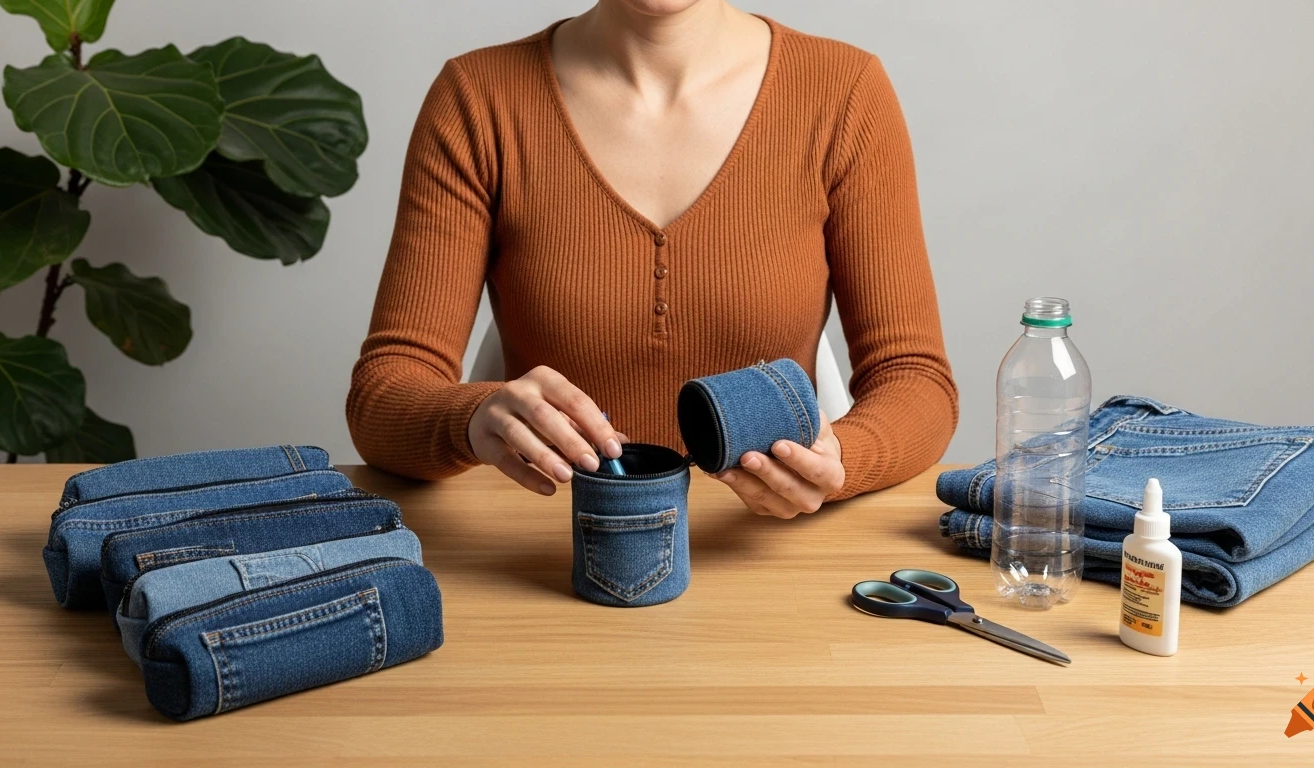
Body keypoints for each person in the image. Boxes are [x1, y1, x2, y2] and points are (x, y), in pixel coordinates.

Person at [347, 0, 957, 518]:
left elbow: (917, 381)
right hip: (548, 552)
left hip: (765, 545)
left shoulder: (844, 93)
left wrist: (840, 459)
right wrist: (473, 416)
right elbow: (383, 396)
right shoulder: (478, 100)